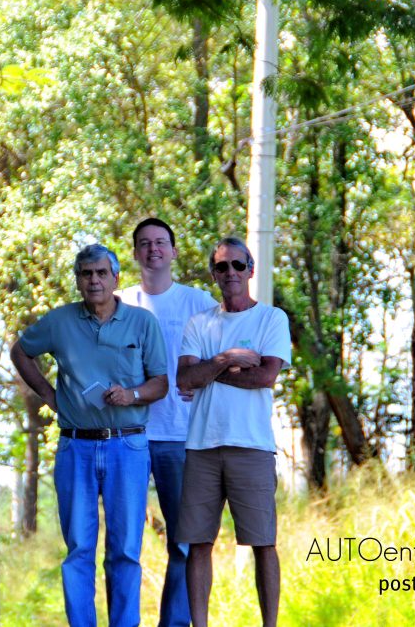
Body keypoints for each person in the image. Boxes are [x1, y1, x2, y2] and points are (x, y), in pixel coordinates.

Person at [10, 243, 169, 627]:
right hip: (75, 445)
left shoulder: (142, 322)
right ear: (78, 280)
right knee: (79, 548)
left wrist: (132, 395)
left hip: (127, 445)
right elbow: (20, 352)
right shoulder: (59, 321)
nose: (94, 280)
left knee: (125, 550)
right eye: (86, 274)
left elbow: (161, 383)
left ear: (116, 278)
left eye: (101, 273)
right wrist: (48, 395)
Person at [175, 237, 291, 627]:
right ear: (214, 273)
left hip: (252, 446)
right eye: (222, 266)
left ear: (250, 270)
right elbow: (184, 378)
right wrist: (227, 359)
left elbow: (265, 376)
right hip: (202, 448)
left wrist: (209, 372)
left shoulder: (271, 319)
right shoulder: (199, 323)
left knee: (263, 543)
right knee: (198, 544)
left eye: (238, 265)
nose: (230, 273)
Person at [119, 218, 217, 627]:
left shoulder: (198, 302)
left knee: (184, 542)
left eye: (161, 242)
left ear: (174, 251)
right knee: (124, 546)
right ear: (135, 253)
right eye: (145, 243)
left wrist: (205, 382)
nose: (153, 249)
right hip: (127, 434)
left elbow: (222, 356)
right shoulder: (120, 302)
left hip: (179, 435)